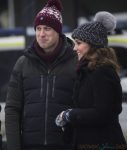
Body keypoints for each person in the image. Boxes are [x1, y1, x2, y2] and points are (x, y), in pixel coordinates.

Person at [5, 0, 77, 150]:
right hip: (30, 145)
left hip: (65, 145)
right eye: (38, 28)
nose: (41, 34)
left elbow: (83, 108)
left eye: (47, 28)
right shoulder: (23, 63)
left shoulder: (75, 62)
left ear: (58, 31)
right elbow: (12, 109)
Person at [56, 11, 127, 150]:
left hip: (103, 143)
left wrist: (69, 115)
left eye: (79, 43)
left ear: (93, 45)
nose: (75, 48)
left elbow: (101, 113)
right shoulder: (87, 70)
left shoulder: (102, 72)